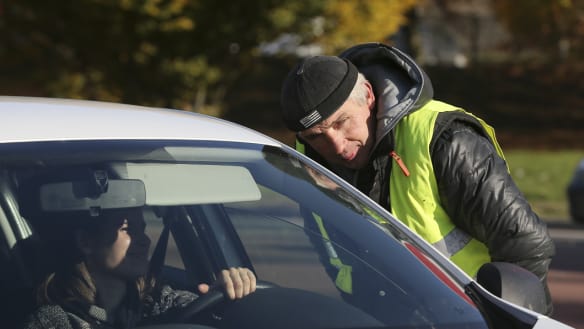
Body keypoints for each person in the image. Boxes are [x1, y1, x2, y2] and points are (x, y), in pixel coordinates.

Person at [280, 42, 555, 314]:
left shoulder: (444, 139)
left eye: (342, 122)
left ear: (368, 95)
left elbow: (524, 244)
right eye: (317, 136)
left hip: (470, 319)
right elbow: (337, 261)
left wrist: (505, 320)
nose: (337, 146)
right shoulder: (308, 161)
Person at [23, 207, 256, 329]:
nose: (144, 240)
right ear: (85, 241)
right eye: (127, 229)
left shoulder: (158, 302)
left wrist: (230, 289)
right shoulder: (51, 322)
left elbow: (198, 309)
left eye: (142, 228)